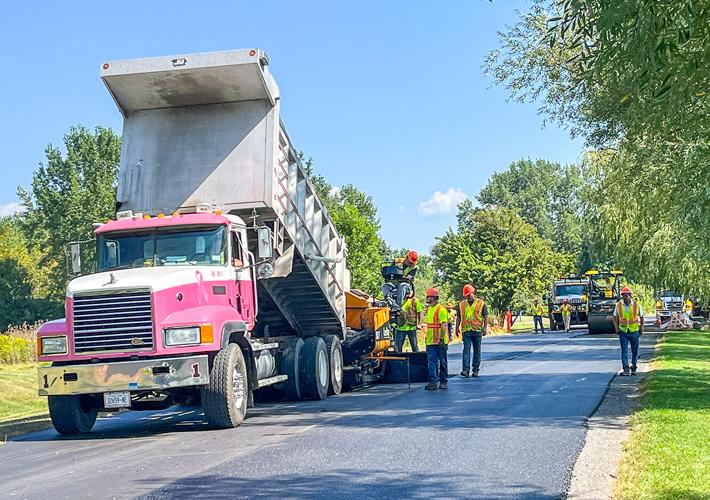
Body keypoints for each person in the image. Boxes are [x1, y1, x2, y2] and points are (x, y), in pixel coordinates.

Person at [456, 284, 488, 377]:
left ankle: (475, 370)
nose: (468, 297)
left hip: (477, 331)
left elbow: (485, 315)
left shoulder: (481, 303)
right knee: (466, 350)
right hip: (466, 331)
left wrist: (485, 328)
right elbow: (458, 317)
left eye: (469, 295)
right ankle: (465, 370)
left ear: (473, 293)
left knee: (477, 351)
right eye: (466, 295)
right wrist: (456, 328)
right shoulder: (461, 304)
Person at [612, 286, 644, 376]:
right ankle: (626, 369)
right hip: (623, 332)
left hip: (634, 331)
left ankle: (633, 367)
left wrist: (641, 328)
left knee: (635, 351)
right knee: (624, 351)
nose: (624, 298)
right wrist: (616, 327)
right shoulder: (618, 305)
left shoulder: (637, 305)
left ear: (630, 296)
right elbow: (614, 317)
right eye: (623, 296)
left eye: (626, 296)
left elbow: (641, 317)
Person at [424, 287, 449, 391]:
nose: (428, 299)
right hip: (430, 341)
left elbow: (443, 325)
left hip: (440, 341)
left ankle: (443, 381)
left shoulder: (441, 309)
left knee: (442, 362)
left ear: (434, 297)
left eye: (429, 297)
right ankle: (433, 382)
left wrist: (441, 338)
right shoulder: (429, 310)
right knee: (431, 362)